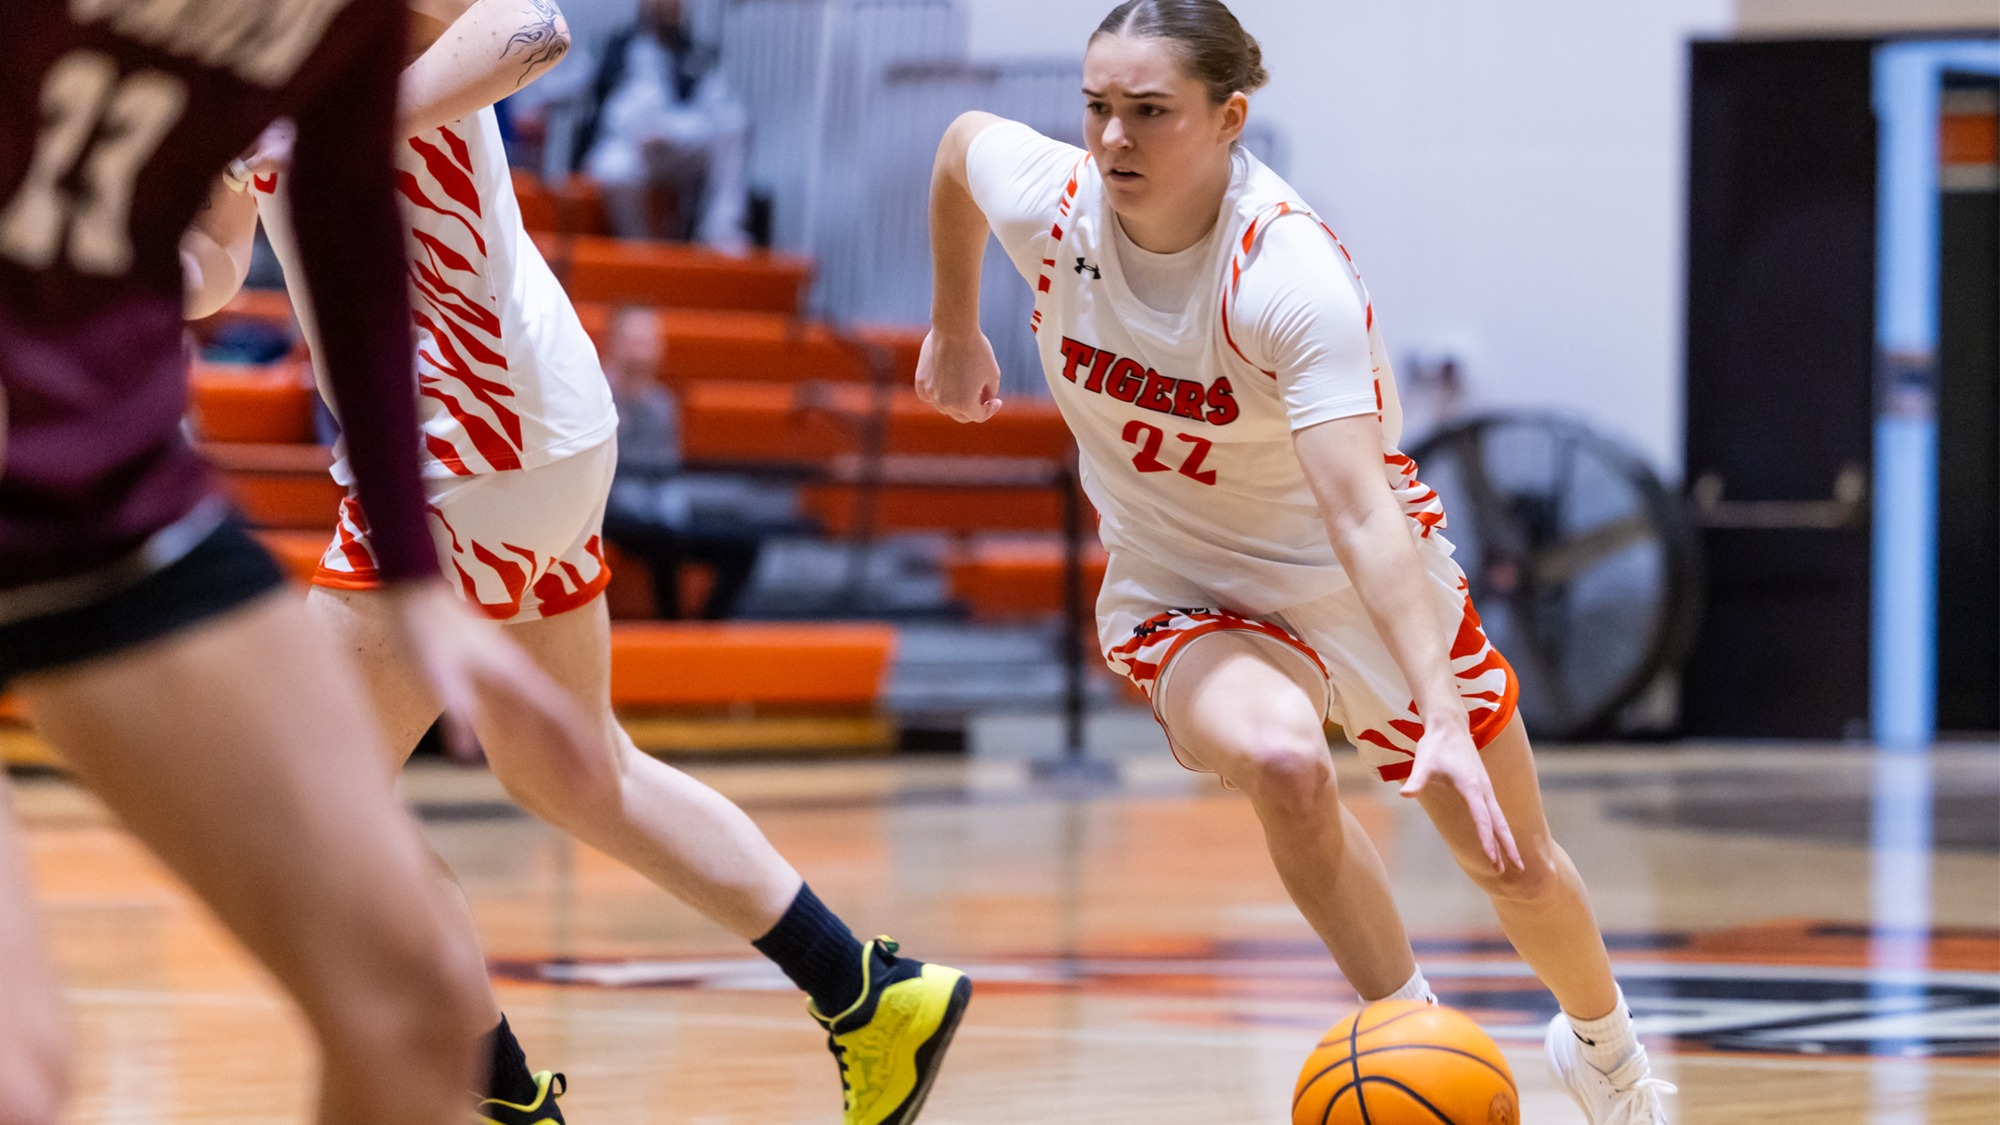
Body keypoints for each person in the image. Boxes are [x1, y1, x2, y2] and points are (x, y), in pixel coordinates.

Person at [181, 3, 968, 1122]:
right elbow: (216, 262)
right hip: (520, 438)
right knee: (574, 767)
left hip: (477, 439)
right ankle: (868, 992)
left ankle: (505, 1104)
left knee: (302, 803)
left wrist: (338, 124)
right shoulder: (208, 42)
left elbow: (534, 27)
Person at [916, 3, 1674, 1123]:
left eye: (1148, 113)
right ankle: (1410, 1047)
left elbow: (1360, 514)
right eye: (1096, 108)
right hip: (1179, 583)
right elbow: (955, 148)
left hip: (1346, 575)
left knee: (1513, 863)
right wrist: (953, 325)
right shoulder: (1056, 201)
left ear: (1228, 119)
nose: (1112, 138)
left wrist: (1443, 719)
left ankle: (1605, 1056)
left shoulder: (1286, 272)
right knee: (1283, 763)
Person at [0, 1, 600, 1122]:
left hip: (103, 489)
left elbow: (342, 222)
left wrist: (419, 584)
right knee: (18, 1079)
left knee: (411, 1005)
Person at [600, 305, 790, 619]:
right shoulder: (594, 393)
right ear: (614, 342)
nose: (641, 348)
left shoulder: (663, 404)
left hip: (658, 511)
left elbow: (667, 470)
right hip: (610, 512)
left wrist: (672, 510)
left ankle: (705, 630)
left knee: (743, 542)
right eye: (633, 339)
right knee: (664, 538)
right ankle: (671, 627)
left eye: (648, 340)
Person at [569, 0, 752, 250]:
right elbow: (569, 85)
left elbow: (720, 111)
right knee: (614, 169)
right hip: (623, 145)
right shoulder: (612, 47)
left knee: (734, 124)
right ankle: (639, 251)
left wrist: (672, 132)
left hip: (674, 145)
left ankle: (721, 232)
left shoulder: (697, 54)